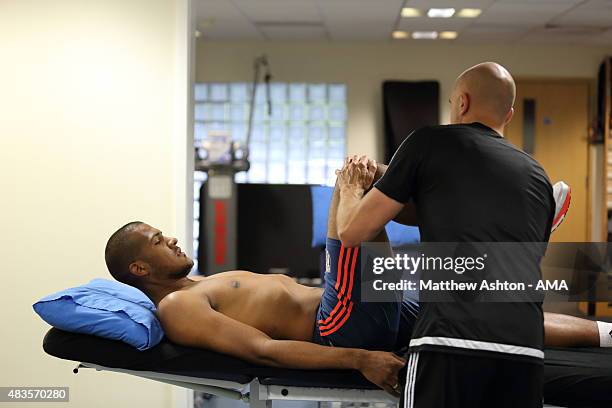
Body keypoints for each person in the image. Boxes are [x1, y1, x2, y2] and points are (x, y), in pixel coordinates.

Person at [334, 61, 560, 407]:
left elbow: (352, 232)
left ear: (463, 103)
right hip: (526, 349)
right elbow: (447, 209)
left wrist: (352, 185)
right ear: (510, 114)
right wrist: (388, 175)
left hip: (450, 341)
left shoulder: (429, 142)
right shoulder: (538, 176)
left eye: (453, 104)